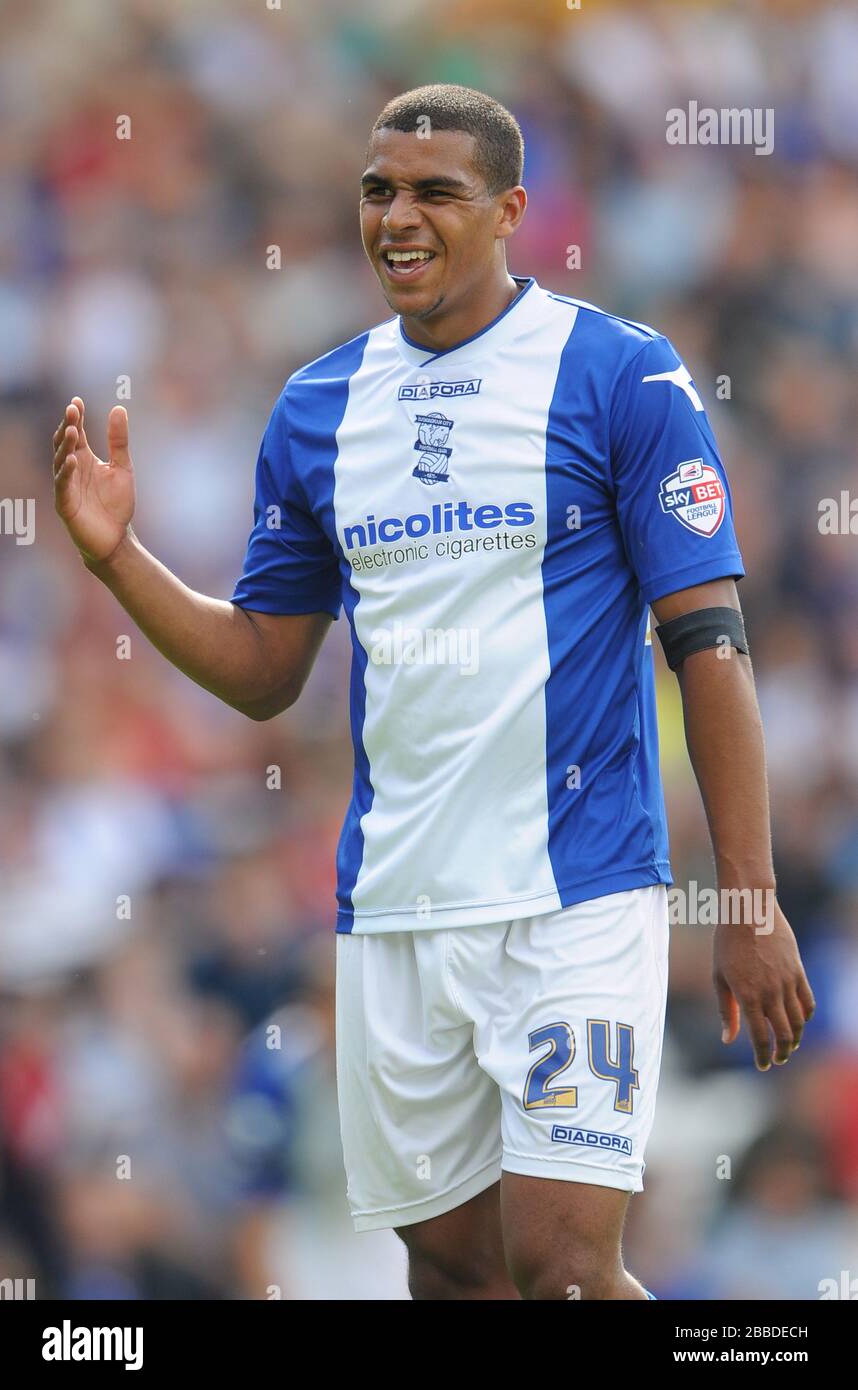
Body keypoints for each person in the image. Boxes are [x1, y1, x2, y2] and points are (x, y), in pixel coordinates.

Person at [52, 83, 815, 1301]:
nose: (397, 216)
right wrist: (116, 560)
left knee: (564, 1270)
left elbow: (708, 646)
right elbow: (261, 669)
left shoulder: (618, 375)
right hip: (396, 912)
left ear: (511, 209)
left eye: (434, 193)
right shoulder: (317, 408)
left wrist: (748, 897)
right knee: (456, 1278)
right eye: (377, 191)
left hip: (575, 897)